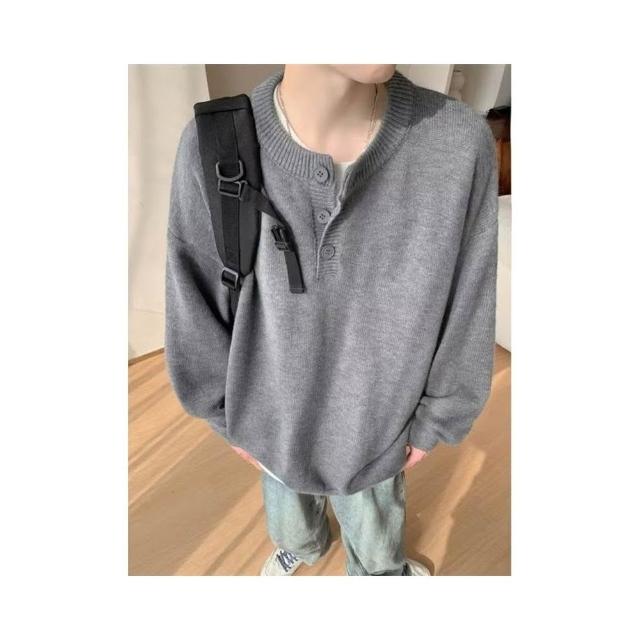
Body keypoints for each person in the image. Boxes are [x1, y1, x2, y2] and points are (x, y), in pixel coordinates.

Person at [165, 64, 499, 576]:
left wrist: (440, 417)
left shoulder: (457, 143)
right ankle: (303, 547)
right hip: (270, 416)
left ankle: (377, 573)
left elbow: (469, 298)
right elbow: (194, 294)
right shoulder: (214, 144)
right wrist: (225, 414)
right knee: (288, 510)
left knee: (376, 530)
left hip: (381, 425)